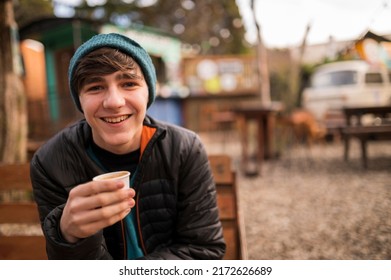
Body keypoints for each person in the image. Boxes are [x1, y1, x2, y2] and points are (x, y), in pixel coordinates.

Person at [30, 33, 226, 260]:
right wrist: (68, 236)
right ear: (80, 100)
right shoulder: (50, 162)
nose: (114, 102)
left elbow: (205, 251)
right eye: (95, 87)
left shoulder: (184, 149)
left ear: (148, 92)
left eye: (129, 83)